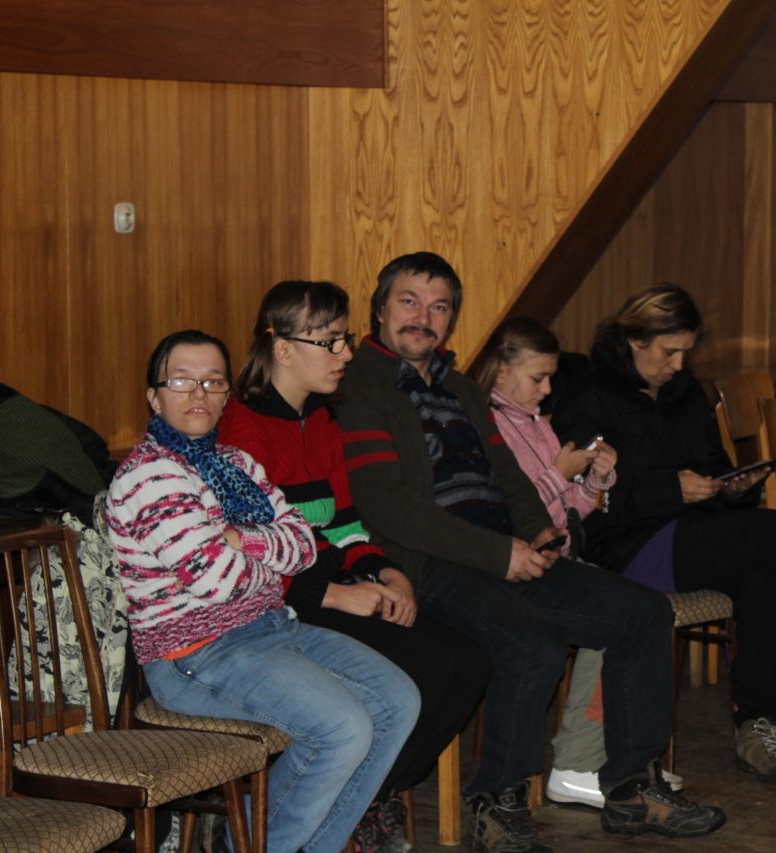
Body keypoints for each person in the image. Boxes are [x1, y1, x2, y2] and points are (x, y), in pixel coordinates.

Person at [337, 252, 725, 853]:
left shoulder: (461, 389)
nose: (423, 317)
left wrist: (538, 531)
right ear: (381, 309)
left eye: (439, 307)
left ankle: (630, 788)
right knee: (531, 641)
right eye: (409, 301)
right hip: (424, 564)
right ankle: (497, 800)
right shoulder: (360, 386)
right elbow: (389, 507)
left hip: (501, 550)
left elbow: (508, 477)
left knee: (644, 612)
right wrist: (500, 553)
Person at [550, 284, 776, 788]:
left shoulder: (685, 394)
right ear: (635, 340)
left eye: (686, 352)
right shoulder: (591, 395)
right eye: (669, 352)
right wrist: (671, 489)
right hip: (625, 546)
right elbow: (583, 493)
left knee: (763, 580)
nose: (678, 365)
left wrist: (734, 488)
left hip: (692, 535)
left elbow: (713, 468)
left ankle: (758, 727)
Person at [106, 330, 420, 853]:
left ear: (226, 395)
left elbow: (304, 545)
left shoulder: (236, 465)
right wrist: (265, 560)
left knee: (398, 701)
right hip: (195, 655)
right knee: (342, 728)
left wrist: (241, 540)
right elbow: (217, 579)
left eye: (213, 382)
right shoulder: (150, 477)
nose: (198, 394)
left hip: (270, 628)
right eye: (181, 381)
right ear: (154, 398)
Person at [218, 280, 491, 852]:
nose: (345, 353)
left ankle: (372, 795)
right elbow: (248, 553)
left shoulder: (321, 418)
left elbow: (344, 521)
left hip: (326, 582)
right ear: (283, 348)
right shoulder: (239, 430)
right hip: (277, 604)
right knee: (427, 667)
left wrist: (385, 572)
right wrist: (338, 596)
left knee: (467, 661)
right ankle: (352, 804)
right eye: (331, 342)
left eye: (345, 339)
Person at [478, 316, 681, 809]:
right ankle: (578, 762)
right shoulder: (487, 425)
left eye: (551, 378)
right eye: (538, 378)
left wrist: (594, 480)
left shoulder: (537, 423)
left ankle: (621, 762)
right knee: (619, 617)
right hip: (512, 569)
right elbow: (512, 512)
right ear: (501, 373)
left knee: (639, 607)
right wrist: (558, 474)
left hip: (558, 560)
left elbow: (567, 512)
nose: (548, 390)